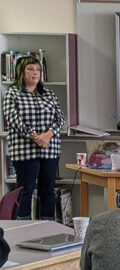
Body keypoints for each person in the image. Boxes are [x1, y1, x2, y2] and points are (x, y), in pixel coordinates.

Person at [3, 56, 65, 220]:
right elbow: (13, 118)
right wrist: (35, 137)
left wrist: (47, 135)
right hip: (24, 151)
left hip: (50, 150)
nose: (35, 73)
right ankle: (22, 228)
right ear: (21, 72)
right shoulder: (12, 93)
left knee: (48, 189)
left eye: (38, 69)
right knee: (25, 189)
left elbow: (60, 118)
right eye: (31, 69)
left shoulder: (49, 94)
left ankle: (48, 229)